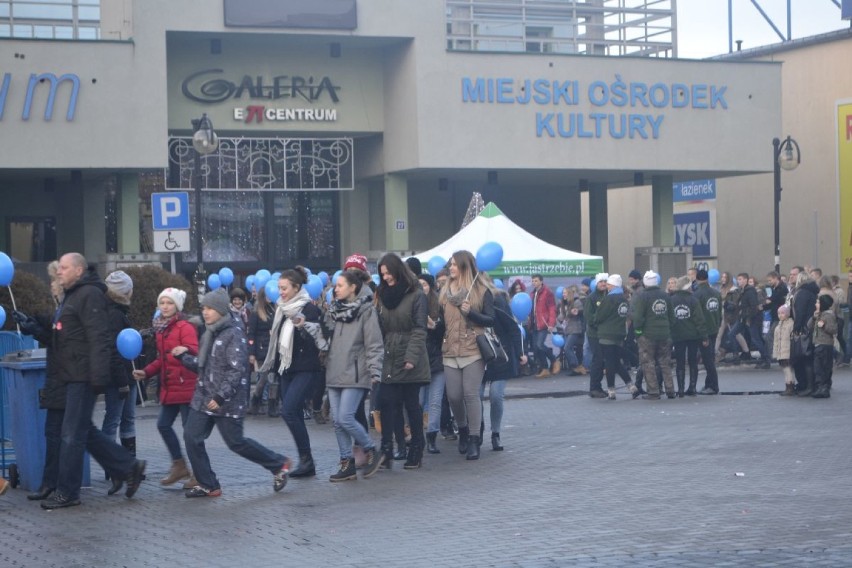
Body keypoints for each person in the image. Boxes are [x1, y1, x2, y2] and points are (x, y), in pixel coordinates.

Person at [37, 253, 146, 509]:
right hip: (70, 375)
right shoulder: (74, 294)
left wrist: (97, 378)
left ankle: (68, 492)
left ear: (78, 270)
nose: (59, 272)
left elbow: (99, 337)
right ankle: (129, 467)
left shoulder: (89, 295)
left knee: (72, 435)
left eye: (64, 268)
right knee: (84, 432)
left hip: (82, 376)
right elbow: (66, 336)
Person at [176, 288, 290, 497]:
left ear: (220, 309)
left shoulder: (233, 333)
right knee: (191, 437)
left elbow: (236, 370)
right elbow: (205, 367)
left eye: (210, 308)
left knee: (236, 443)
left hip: (226, 401)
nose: (206, 312)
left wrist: (221, 397)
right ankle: (208, 484)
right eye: (203, 308)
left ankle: (278, 464)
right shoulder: (210, 332)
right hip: (203, 398)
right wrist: (183, 357)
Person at [312, 270, 385, 481]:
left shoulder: (366, 311)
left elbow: (374, 343)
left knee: (345, 417)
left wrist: (375, 370)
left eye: (341, 285)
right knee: (336, 421)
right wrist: (307, 328)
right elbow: (324, 339)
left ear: (353, 287)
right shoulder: (333, 311)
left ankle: (371, 449)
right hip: (334, 370)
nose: (336, 289)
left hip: (355, 371)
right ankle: (347, 463)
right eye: (336, 285)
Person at [258, 267, 323, 478]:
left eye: (284, 288)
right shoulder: (280, 309)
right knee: (292, 414)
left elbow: (318, 342)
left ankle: (307, 459)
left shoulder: (310, 309)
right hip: (286, 369)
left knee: (289, 411)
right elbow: (277, 343)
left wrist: (303, 328)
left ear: (297, 287)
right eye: (279, 288)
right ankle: (307, 462)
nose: (281, 292)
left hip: (306, 368)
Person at [132, 287, 199, 488]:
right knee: (163, 425)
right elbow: (162, 359)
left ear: (177, 306)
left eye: (169, 303)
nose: (165, 306)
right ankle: (179, 465)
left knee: (190, 433)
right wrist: (146, 372)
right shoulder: (161, 329)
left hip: (185, 385)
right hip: (169, 387)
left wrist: (186, 348)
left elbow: (196, 350)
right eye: (162, 303)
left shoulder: (184, 327)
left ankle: (198, 473)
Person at [376, 253, 431, 469]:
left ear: (397, 271)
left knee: (411, 404)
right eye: (383, 274)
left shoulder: (416, 295)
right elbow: (380, 326)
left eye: (389, 273)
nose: (386, 277)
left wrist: (411, 356)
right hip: (389, 353)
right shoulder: (382, 294)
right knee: (388, 401)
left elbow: (419, 328)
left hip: (410, 353)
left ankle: (416, 447)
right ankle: (389, 448)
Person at [440, 250, 495, 460]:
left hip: (473, 348)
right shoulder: (445, 292)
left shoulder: (481, 290)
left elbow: (491, 319)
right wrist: (434, 325)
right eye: (450, 264)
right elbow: (442, 321)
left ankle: (473, 439)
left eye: (454, 265)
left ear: (464, 266)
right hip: (450, 350)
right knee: (454, 396)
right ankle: (462, 428)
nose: (451, 268)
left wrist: (471, 312)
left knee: (470, 394)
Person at [100, 271, 138, 493]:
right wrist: (123, 381)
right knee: (114, 420)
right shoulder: (115, 314)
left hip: (125, 375)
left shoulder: (118, 312)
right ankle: (115, 467)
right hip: (119, 377)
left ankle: (129, 466)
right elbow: (114, 350)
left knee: (126, 419)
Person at [481, 276, 525, 450]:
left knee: (496, 396)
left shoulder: (497, 301)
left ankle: (495, 433)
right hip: (479, 356)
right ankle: (477, 429)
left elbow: (513, 328)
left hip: (500, 355)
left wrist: (520, 352)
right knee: (474, 397)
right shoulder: (468, 302)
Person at [631, 270, 675, 400]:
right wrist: (668, 329)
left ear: (645, 282)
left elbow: (638, 318)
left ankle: (653, 391)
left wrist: (638, 332)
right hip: (665, 334)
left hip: (648, 335)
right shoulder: (665, 296)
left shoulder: (643, 297)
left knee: (648, 363)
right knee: (665, 363)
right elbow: (672, 317)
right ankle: (670, 390)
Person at [594, 274, 637, 400]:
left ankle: (611, 389)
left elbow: (600, 316)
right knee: (616, 361)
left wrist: (596, 321)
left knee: (610, 363)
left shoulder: (608, 299)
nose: (606, 286)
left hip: (606, 335)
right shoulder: (624, 299)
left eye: (608, 284)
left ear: (612, 285)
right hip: (619, 334)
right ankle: (631, 386)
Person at [418, 273, 447, 455]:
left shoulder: (439, 306)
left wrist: (434, 327)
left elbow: (445, 332)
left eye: (425, 285)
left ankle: (431, 437)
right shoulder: (412, 306)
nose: (422, 288)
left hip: (437, 360)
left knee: (435, 402)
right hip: (419, 362)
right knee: (418, 401)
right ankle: (417, 436)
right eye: (418, 285)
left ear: (431, 287)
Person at [670, 275, 708, 396]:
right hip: (693, 335)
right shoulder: (693, 300)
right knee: (693, 362)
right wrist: (704, 336)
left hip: (677, 335)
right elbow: (699, 320)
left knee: (680, 362)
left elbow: (670, 319)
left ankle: (680, 389)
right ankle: (692, 387)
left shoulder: (672, 299)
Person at [789, 271, 819, 395]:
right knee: (808, 358)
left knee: (802, 358)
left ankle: (807, 386)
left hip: (803, 328)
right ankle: (810, 385)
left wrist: (796, 327)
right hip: (811, 326)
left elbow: (799, 313)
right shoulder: (813, 293)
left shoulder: (801, 293)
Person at [693, 269, 722, 394]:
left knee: (708, 360)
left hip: (704, 330)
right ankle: (708, 384)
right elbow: (719, 311)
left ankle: (713, 386)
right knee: (709, 357)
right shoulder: (716, 293)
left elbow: (697, 316)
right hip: (714, 328)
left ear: (698, 279)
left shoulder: (697, 294)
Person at [247, 287, 275, 415]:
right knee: (264, 378)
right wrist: (251, 353)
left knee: (273, 379)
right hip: (262, 349)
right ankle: (255, 400)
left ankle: (272, 407)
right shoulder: (256, 312)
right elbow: (251, 334)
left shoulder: (274, 310)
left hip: (273, 348)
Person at [529, 274, 558, 377]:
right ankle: (545, 368)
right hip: (534, 323)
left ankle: (554, 360)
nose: (534, 283)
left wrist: (551, 323)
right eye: (533, 281)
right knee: (536, 348)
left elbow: (552, 309)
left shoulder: (547, 292)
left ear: (541, 281)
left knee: (540, 345)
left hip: (543, 323)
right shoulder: (532, 293)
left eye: (536, 281)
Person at [809, 294, 837, 399]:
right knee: (818, 367)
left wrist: (824, 326)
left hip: (825, 345)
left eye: (818, 302)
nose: (816, 304)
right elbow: (809, 326)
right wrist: (813, 317)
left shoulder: (829, 315)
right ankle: (821, 387)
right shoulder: (819, 314)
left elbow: (833, 330)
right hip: (817, 343)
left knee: (823, 367)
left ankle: (824, 388)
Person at [557, 285, 585, 375]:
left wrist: (576, 312)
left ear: (569, 294)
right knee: (569, 348)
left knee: (567, 347)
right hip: (567, 329)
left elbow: (581, 312)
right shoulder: (563, 303)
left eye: (565, 293)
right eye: (563, 293)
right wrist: (559, 317)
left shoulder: (576, 302)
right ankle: (576, 367)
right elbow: (562, 316)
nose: (563, 295)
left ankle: (576, 366)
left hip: (575, 329)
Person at [774, 305, 795, 396]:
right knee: (785, 370)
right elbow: (776, 341)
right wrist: (776, 353)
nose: (780, 315)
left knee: (788, 370)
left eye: (782, 313)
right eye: (779, 313)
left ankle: (790, 386)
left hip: (788, 352)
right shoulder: (778, 327)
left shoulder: (790, 324)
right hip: (781, 352)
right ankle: (788, 386)